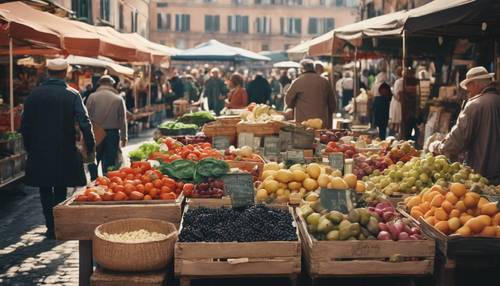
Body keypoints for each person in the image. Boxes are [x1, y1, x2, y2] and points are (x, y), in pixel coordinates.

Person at [21, 58, 95, 239]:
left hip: (39, 149)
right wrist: (91, 145)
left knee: (44, 188)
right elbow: (85, 123)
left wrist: (28, 147)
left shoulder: (34, 95)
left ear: (48, 72)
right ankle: (59, 225)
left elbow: (24, 125)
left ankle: (50, 227)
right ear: (65, 73)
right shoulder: (72, 94)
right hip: (64, 148)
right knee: (60, 187)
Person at [430, 66, 500, 184]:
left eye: (469, 89)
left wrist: (438, 146)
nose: (468, 93)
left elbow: (458, 139)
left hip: (482, 172)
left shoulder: (474, 104)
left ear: (475, 84)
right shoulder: (496, 99)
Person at [86, 75, 128, 180]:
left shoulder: (92, 97)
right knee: (110, 161)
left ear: (99, 84)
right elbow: (122, 120)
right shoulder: (118, 98)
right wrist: (124, 137)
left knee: (94, 158)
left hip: (95, 132)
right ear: (112, 84)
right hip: (112, 133)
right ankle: (108, 182)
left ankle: (94, 180)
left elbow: (86, 117)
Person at [285, 59, 336, 129]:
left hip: (304, 122)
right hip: (321, 122)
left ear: (302, 70)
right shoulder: (324, 81)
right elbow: (332, 103)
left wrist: (292, 106)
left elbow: (288, 101)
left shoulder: (297, 81)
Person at [400, 68, 420, 140]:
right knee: (409, 128)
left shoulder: (407, 81)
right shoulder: (405, 82)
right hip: (409, 110)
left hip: (410, 109)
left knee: (409, 128)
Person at [389, 67, 403, 136]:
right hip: (399, 102)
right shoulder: (401, 80)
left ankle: (396, 135)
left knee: (397, 120)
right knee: (398, 120)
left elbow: (397, 93)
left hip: (397, 102)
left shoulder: (399, 81)